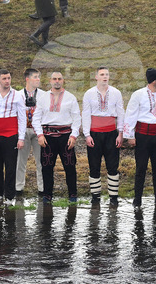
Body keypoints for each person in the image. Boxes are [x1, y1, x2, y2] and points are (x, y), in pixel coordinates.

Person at [123, 68, 156, 209]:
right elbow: (130, 114)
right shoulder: (138, 95)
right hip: (143, 136)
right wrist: (130, 136)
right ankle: (137, 200)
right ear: (153, 80)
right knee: (141, 168)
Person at [32, 71, 81, 206]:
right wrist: (40, 135)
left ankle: (72, 194)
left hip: (66, 136)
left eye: (59, 78)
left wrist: (74, 135)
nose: (57, 81)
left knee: (70, 166)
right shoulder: (43, 98)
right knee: (47, 166)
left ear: (63, 80)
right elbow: (36, 118)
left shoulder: (70, 97)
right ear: (50, 80)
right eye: (54, 79)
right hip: (48, 136)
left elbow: (77, 118)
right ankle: (47, 195)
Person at [0, 69, 27, 204]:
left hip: (11, 135)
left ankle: (9, 196)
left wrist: (21, 138)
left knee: (10, 166)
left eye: (9, 78)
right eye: (4, 78)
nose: (7, 81)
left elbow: (22, 117)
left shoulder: (17, 96)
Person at [81, 67, 125, 206]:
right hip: (94, 133)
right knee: (94, 165)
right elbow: (86, 115)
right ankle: (95, 197)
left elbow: (121, 113)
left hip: (111, 134)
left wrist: (121, 133)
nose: (105, 77)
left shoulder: (116, 93)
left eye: (106, 74)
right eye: (102, 74)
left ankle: (113, 197)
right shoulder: (89, 94)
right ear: (96, 77)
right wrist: (87, 135)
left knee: (113, 165)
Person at [15, 68, 47, 199]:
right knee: (20, 161)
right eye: (35, 77)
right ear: (27, 79)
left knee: (41, 161)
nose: (38, 79)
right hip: (23, 131)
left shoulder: (44, 95)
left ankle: (42, 188)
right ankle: (18, 187)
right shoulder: (18, 95)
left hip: (38, 131)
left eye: (39, 77)